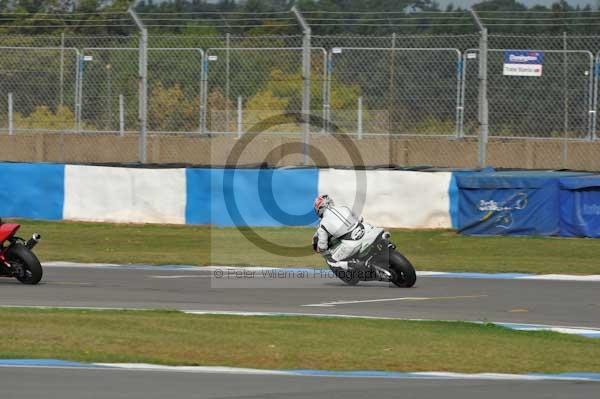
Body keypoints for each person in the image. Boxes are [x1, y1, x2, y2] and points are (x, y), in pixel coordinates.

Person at [312, 194, 378, 271]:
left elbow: (322, 246)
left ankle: (355, 265)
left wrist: (322, 250)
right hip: (365, 230)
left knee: (332, 262)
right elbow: (360, 219)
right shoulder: (344, 208)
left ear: (319, 209)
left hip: (351, 244)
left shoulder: (322, 224)